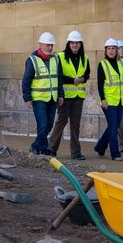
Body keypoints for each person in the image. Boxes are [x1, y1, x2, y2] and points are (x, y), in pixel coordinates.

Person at [47, 30, 90, 160]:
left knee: (75, 125)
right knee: (61, 121)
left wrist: (83, 79)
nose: (75, 45)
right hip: (65, 96)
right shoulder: (60, 57)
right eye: (72, 43)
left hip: (78, 96)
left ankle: (76, 153)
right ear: (68, 44)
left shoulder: (85, 58)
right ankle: (51, 149)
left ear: (80, 44)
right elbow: (58, 76)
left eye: (77, 43)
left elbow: (87, 74)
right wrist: (72, 81)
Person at [21, 32, 63, 156]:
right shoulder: (32, 60)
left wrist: (61, 94)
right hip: (38, 99)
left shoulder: (55, 59)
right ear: (40, 45)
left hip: (53, 98)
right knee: (43, 124)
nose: (50, 48)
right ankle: (44, 150)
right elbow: (26, 81)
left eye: (51, 45)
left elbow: (59, 78)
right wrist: (27, 98)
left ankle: (35, 146)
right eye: (47, 45)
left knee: (48, 125)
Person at [94, 37, 123, 161]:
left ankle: (100, 147)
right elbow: (100, 84)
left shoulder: (122, 63)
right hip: (108, 101)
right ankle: (115, 153)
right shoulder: (102, 64)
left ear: (117, 50)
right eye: (109, 49)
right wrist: (102, 99)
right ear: (106, 50)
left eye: (113, 48)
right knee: (113, 127)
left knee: (114, 126)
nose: (111, 51)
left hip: (119, 100)